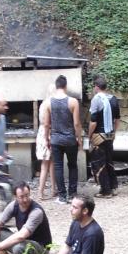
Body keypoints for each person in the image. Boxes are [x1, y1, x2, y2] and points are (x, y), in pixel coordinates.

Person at [43, 74, 83, 204]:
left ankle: (62, 196)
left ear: (56, 86)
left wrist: (46, 139)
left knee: (58, 167)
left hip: (55, 139)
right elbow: (77, 123)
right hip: (70, 139)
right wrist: (79, 137)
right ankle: (72, 194)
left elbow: (46, 124)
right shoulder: (73, 102)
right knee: (72, 166)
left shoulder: (48, 102)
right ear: (66, 86)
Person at [88, 76, 120, 198]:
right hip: (110, 135)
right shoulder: (114, 99)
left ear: (96, 87)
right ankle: (113, 187)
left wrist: (89, 134)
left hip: (98, 136)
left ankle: (105, 191)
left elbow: (93, 122)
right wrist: (114, 132)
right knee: (109, 161)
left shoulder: (96, 100)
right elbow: (117, 120)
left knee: (99, 163)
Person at [35, 87, 54, 200]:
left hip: (41, 132)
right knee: (46, 165)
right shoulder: (50, 104)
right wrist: (48, 138)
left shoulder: (43, 103)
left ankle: (53, 189)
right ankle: (40, 192)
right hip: (48, 133)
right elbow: (48, 123)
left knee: (50, 163)